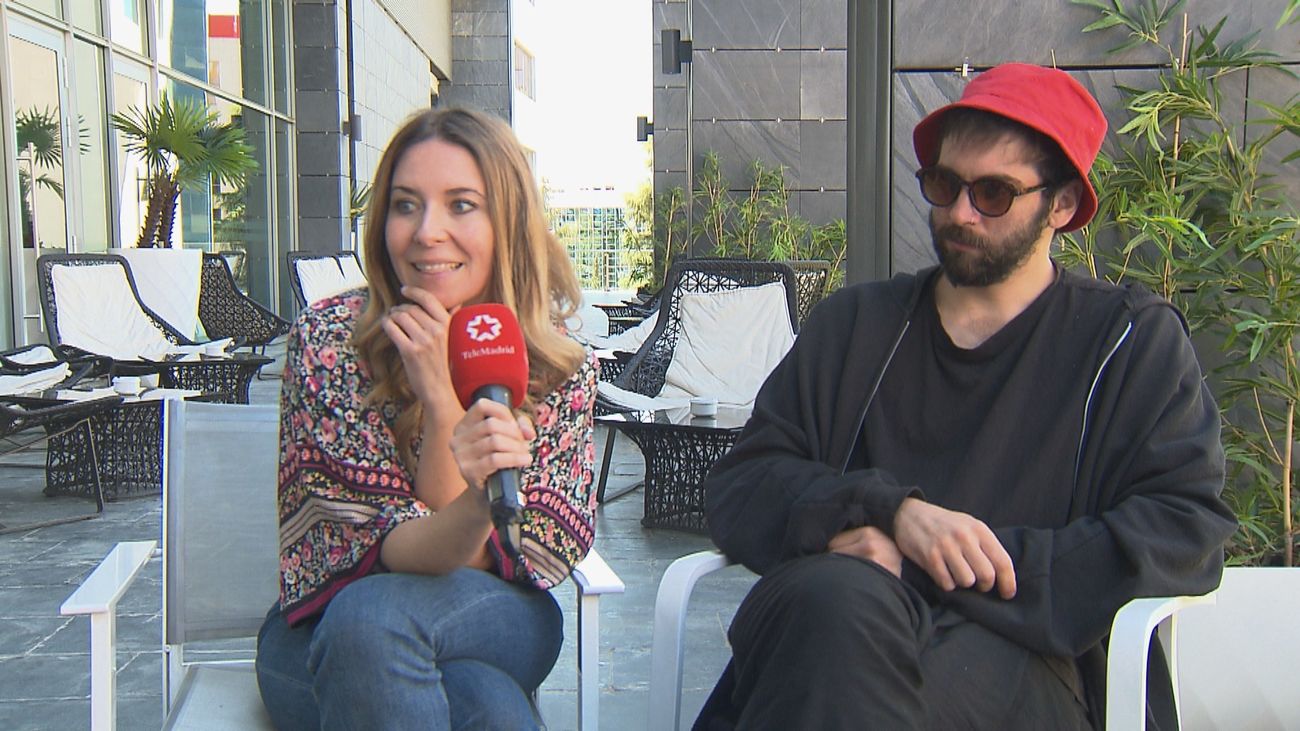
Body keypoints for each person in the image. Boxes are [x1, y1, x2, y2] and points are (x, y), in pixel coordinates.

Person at [696, 63, 1237, 730]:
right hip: (834, 624)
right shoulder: (857, 326)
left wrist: (936, 564)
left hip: (1026, 661)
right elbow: (742, 485)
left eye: (994, 194)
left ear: (1062, 205)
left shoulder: (1128, 343)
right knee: (839, 606)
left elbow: (1183, 530)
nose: (958, 213)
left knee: (835, 628)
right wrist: (891, 510)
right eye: (944, 184)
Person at [254, 107, 599, 730]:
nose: (426, 232)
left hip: (493, 613)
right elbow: (386, 549)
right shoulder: (332, 341)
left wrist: (462, 456)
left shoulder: (556, 364)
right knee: (482, 702)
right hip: (322, 630)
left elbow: (526, 551)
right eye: (406, 205)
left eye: (462, 204)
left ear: (507, 221)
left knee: (377, 623)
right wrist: (442, 403)